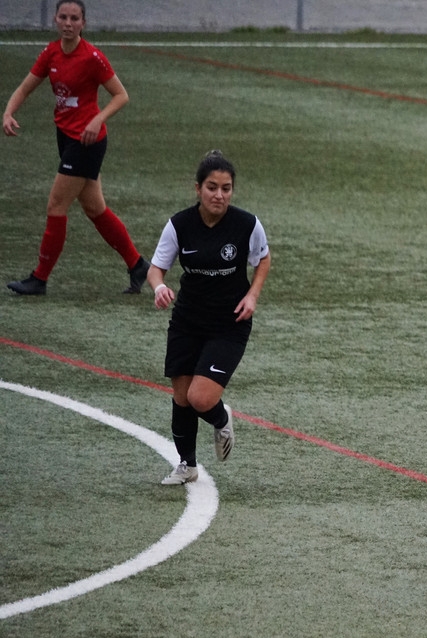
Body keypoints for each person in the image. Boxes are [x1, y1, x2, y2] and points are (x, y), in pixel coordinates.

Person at [3, 0, 149, 296]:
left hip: (87, 143)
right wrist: (8, 112)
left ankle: (39, 279)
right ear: (55, 20)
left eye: (74, 18)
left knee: (56, 205)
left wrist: (97, 119)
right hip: (66, 138)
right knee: (95, 208)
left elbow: (121, 95)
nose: (68, 23)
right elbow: (25, 87)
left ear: (83, 23)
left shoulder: (92, 57)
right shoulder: (51, 53)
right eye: (63, 17)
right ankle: (137, 265)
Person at [147, 150, 271, 485]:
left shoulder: (246, 224)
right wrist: (159, 287)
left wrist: (252, 295)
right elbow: (156, 269)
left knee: (200, 398)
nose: (219, 195)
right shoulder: (179, 225)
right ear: (198, 189)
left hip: (229, 324)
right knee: (181, 396)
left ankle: (220, 418)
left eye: (226, 188)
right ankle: (187, 465)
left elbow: (263, 259)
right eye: (212, 187)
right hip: (187, 321)